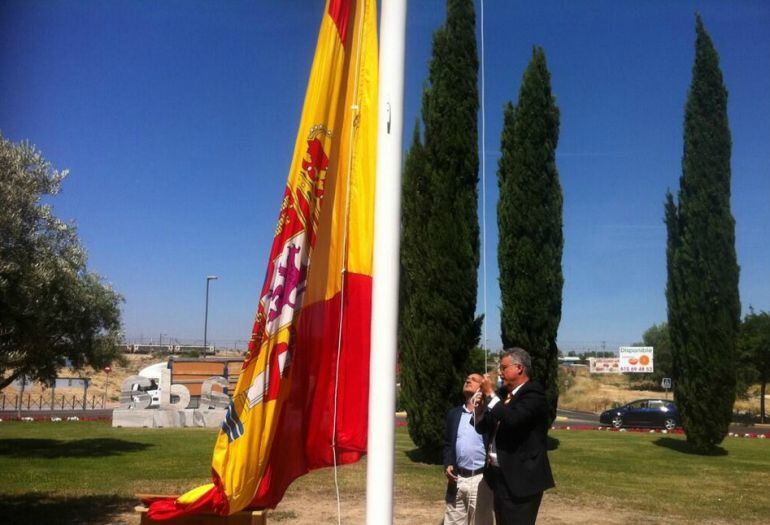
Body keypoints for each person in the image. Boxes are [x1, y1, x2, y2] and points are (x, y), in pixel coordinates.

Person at [474, 348, 554, 525]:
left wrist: (490, 395)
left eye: (504, 367)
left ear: (519, 368)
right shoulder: (502, 394)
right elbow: (482, 427)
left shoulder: (534, 393)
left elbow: (513, 419)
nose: (500, 372)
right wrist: (479, 409)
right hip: (498, 475)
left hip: (522, 477)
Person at [443, 373, 494, 525]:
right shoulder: (454, 414)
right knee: (453, 521)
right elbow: (447, 444)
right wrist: (448, 464)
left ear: (482, 387)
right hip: (457, 479)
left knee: (481, 521)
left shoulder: (488, 415)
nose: (468, 380)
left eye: (473, 380)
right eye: (466, 379)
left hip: (481, 478)